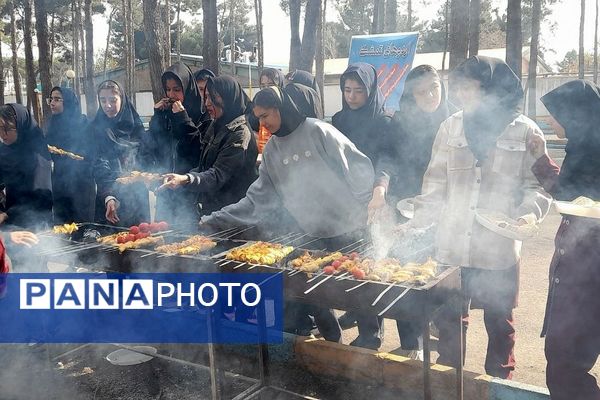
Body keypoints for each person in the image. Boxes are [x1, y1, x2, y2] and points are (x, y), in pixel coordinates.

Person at [398, 56, 552, 379]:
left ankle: (500, 384)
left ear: (493, 88)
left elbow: (537, 187)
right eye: (459, 87)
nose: (461, 94)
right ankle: (448, 385)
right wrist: (415, 221)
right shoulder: (450, 126)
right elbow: (436, 183)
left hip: (497, 247)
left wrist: (527, 217)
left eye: (470, 87)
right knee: (450, 322)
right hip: (452, 244)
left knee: (500, 323)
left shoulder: (526, 131)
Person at [199, 86, 375, 342]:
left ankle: (370, 340)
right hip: (312, 232)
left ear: (281, 108)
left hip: (349, 226)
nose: (262, 123)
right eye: (258, 117)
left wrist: (365, 206)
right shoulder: (271, 151)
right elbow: (256, 200)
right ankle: (330, 342)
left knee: (360, 287)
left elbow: (358, 168)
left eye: (266, 115)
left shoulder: (318, 131)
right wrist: (216, 219)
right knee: (313, 291)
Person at [526, 80, 600, 400]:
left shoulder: (592, 149)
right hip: (578, 265)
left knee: (565, 362)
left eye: (555, 115)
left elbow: (569, 195)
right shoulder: (584, 145)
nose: (551, 121)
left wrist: (540, 160)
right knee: (567, 359)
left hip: (586, 270)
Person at [331, 62, 392, 350]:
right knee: (349, 264)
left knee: (369, 265)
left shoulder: (384, 122)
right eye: (347, 90)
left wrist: (379, 188)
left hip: (372, 201)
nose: (352, 96)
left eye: (358, 91)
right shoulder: (339, 120)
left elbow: (388, 161)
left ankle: (372, 334)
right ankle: (357, 316)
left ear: (370, 90)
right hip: (344, 202)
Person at [159, 76, 259, 218]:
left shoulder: (240, 134)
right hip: (212, 211)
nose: (207, 103)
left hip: (234, 214)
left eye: (213, 98)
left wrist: (186, 179)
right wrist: (181, 178)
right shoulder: (216, 125)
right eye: (206, 97)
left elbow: (218, 174)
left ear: (229, 98)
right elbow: (204, 167)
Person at [147, 62, 205, 226]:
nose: (171, 94)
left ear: (187, 89)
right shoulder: (165, 115)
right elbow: (152, 147)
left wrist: (183, 119)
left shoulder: (202, 115)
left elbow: (197, 152)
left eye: (177, 90)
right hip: (166, 193)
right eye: (168, 89)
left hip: (191, 195)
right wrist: (157, 117)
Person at [92, 80, 150, 227]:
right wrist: (109, 196)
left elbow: (146, 157)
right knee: (110, 245)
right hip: (109, 198)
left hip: (136, 197)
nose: (108, 105)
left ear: (122, 99)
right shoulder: (96, 128)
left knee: (140, 242)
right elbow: (98, 163)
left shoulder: (135, 127)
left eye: (113, 100)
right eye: (103, 100)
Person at [46, 86, 95, 224]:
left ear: (67, 102)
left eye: (57, 99)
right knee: (61, 228)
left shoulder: (84, 124)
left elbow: (91, 152)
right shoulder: (53, 124)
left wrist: (73, 156)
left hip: (81, 183)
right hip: (60, 181)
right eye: (51, 99)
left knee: (82, 226)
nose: (52, 103)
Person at [0, 104, 53, 230]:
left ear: (20, 126)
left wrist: (7, 214)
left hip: (36, 223)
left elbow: (40, 197)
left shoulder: (38, 155)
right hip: (10, 223)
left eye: (7, 129)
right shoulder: (4, 150)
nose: (2, 134)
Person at [256, 68, 287, 153]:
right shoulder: (257, 107)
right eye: (263, 86)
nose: (266, 89)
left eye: (270, 85)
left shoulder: (287, 108)